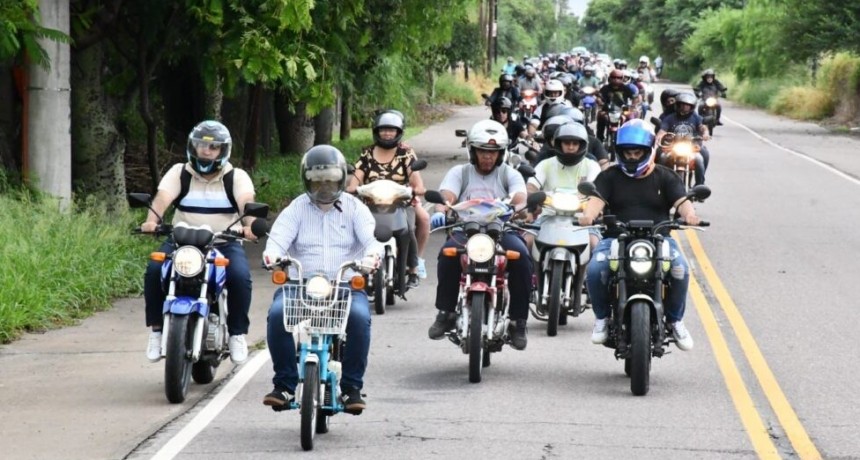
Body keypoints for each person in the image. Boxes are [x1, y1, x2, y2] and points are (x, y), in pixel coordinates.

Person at [262, 145, 382, 413]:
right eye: (317, 181)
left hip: (344, 286)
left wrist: (372, 258)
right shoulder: (295, 209)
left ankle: (351, 388)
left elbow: (372, 242)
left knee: (360, 319)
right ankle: (284, 384)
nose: (324, 187)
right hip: (301, 285)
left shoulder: (356, 208)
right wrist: (272, 256)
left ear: (341, 179)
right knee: (277, 315)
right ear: (307, 180)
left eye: (330, 180)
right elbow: (276, 242)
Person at [578, 119, 700, 351]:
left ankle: (675, 320)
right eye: (628, 153)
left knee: (680, 270)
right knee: (595, 270)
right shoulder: (609, 176)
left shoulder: (666, 176)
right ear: (620, 152)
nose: (632, 157)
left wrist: (690, 215)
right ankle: (602, 318)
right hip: (616, 238)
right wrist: (588, 215)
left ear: (649, 150)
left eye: (637, 152)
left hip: (659, 238)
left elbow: (683, 203)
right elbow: (595, 201)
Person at [142, 120, 258, 364]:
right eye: (201, 146)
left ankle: (237, 333)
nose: (206, 151)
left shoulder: (236, 177)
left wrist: (250, 226)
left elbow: (246, 202)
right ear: (192, 147)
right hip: (182, 241)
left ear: (223, 150)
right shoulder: (180, 172)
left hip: (222, 242)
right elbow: (162, 198)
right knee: (154, 270)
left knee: (240, 276)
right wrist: (151, 221)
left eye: (213, 147)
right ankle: (157, 331)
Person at [427, 120, 533, 350]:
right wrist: (441, 210)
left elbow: (519, 198)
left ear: (501, 154)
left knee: (522, 257)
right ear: (472, 151)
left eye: (493, 152)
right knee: (447, 254)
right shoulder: (460, 172)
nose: (487, 156)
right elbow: (447, 196)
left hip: (502, 230)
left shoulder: (510, 174)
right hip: (465, 230)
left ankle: (518, 321)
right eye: (482, 151)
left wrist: (519, 209)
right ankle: (445, 313)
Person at [347, 110, 429, 287]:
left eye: (391, 130)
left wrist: (417, 189)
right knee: (352, 225)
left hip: (401, 201)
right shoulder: (367, 153)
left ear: (398, 132)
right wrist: (353, 187)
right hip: (371, 203)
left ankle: (414, 268)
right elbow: (355, 179)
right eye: (383, 129)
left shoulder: (405, 153)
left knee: (419, 221)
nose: (387, 133)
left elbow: (416, 180)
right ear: (376, 131)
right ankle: (352, 264)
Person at [525, 122, 602, 249]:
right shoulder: (545, 164)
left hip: (583, 219)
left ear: (582, 145)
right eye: (566, 143)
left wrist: (592, 211)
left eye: (575, 143)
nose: (571, 147)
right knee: (527, 241)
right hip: (547, 216)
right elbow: (531, 187)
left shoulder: (592, 166)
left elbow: (597, 192)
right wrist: (532, 203)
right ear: (559, 144)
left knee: (595, 244)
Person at [655, 92, 710, 186]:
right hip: (672, 147)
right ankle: (659, 183)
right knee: (662, 157)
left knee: (700, 159)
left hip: (692, 147)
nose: (685, 107)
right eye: (682, 104)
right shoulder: (670, 118)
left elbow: (703, 127)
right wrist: (659, 137)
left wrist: (705, 133)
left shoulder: (696, 117)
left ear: (692, 107)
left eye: (687, 105)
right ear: (677, 105)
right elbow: (662, 130)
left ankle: (700, 185)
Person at [596, 69, 639, 142]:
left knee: (630, 118)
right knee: (600, 116)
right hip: (607, 108)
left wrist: (633, 105)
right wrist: (600, 102)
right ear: (610, 78)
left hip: (623, 108)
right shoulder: (605, 88)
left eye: (618, 78)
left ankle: (629, 138)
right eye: (614, 77)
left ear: (622, 79)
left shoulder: (626, 88)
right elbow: (599, 97)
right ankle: (599, 138)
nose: (616, 79)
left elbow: (635, 97)